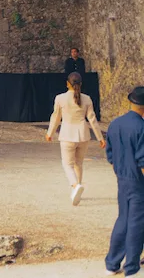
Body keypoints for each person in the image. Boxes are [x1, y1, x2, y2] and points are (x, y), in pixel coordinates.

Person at [46, 72, 104, 206]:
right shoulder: (87, 99)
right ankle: (77, 189)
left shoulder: (60, 98)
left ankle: (75, 185)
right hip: (83, 135)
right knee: (79, 163)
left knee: (67, 164)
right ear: (81, 84)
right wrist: (100, 137)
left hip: (67, 135)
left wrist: (50, 133)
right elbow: (92, 119)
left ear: (67, 83)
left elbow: (56, 117)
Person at [104, 86, 144, 277]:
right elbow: (142, 160)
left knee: (123, 219)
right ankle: (132, 267)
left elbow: (110, 154)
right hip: (138, 180)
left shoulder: (115, 124)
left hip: (122, 178)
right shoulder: (141, 127)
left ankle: (112, 263)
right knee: (137, 222)